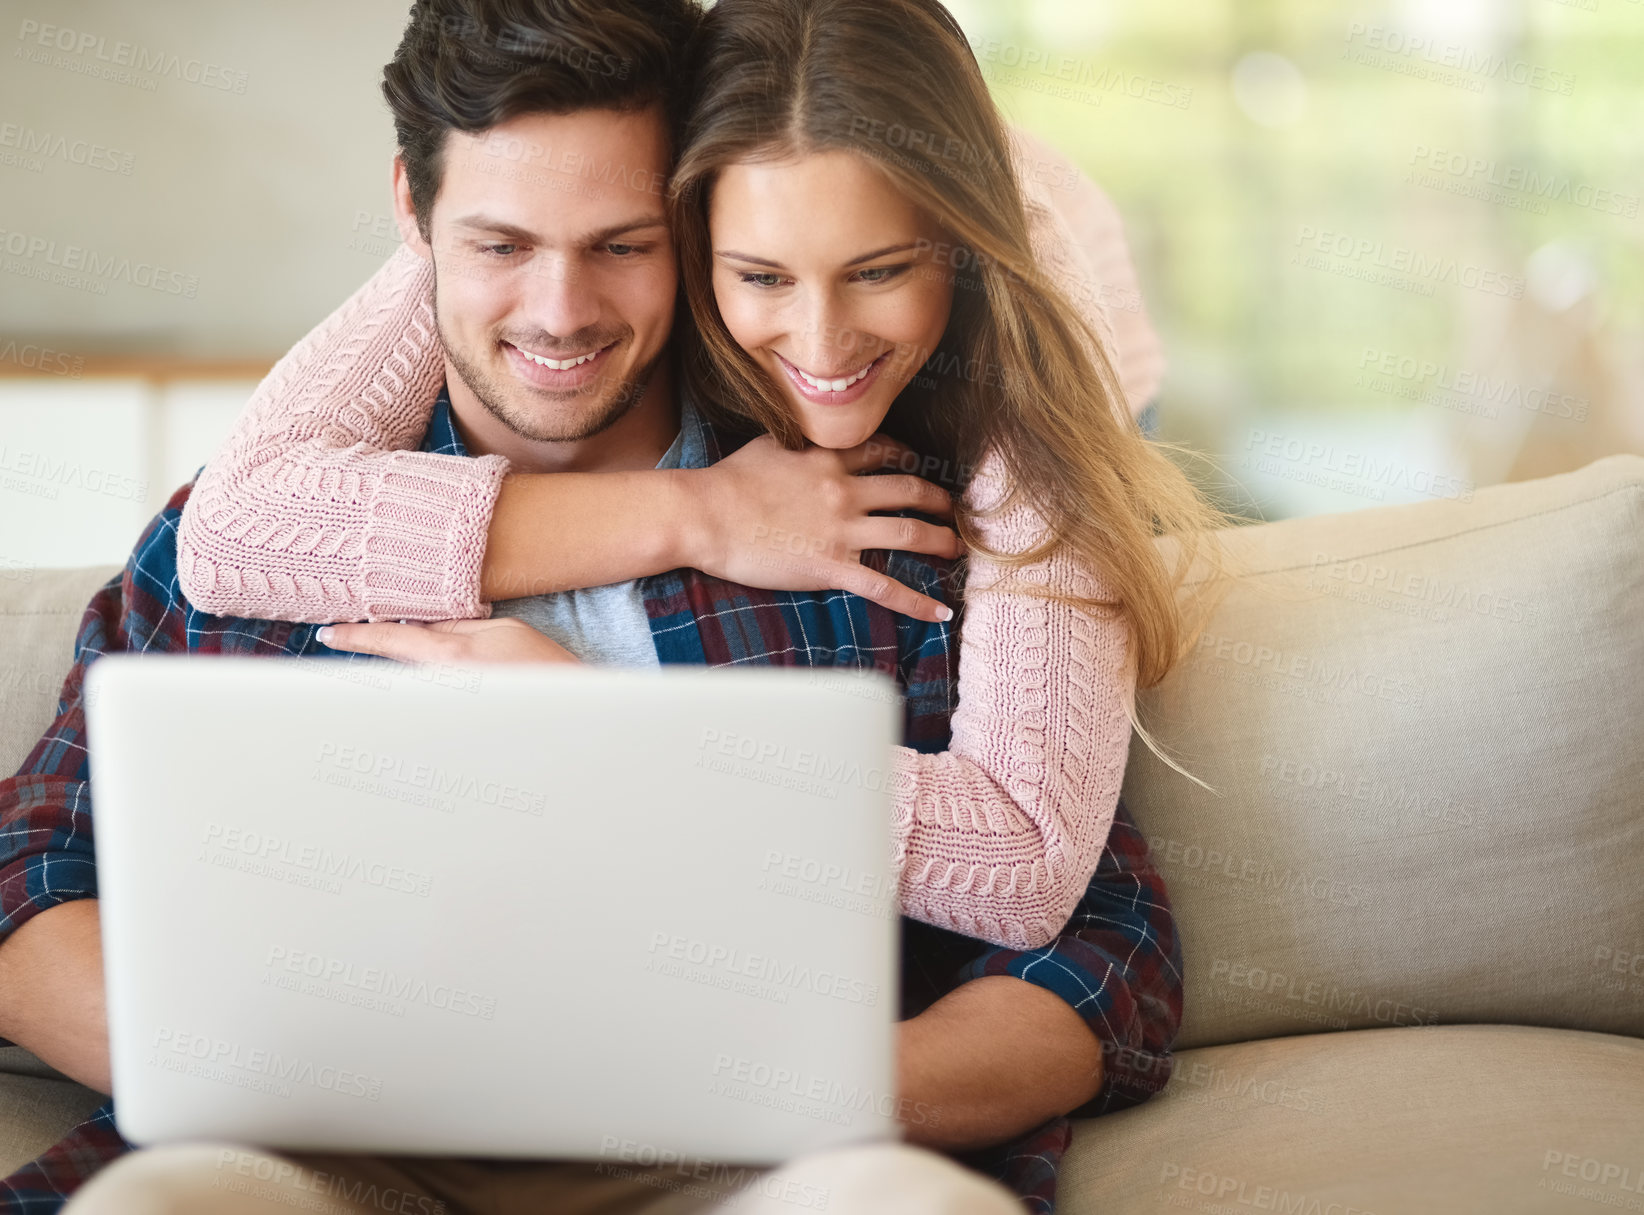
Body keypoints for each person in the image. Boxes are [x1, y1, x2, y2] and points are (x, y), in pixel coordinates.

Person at [0, 1, 1197, 1211]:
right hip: (317, 1146)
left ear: (690, 222)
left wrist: (783, 1089)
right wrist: (234, 1071)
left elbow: (1100, 947)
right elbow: (29, 870)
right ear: (414, 217)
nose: (560, 311)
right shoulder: (254, 534)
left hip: (760, 1157)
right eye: (501, 244)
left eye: (621, 244)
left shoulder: (878, 523)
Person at [174, 0, 1235, 953]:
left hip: (1039, 369)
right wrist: (705, 515)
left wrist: (610, 732)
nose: (819, 339)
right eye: (761, 274)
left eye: (876, 269)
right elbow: (236, 533)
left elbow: (1028, 868)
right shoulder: (576, 191)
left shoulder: (1021, 320)